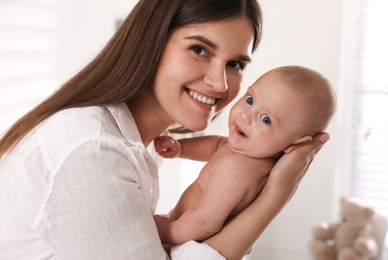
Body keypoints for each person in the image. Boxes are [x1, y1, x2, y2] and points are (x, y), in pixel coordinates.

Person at [0, 0, 329, 259]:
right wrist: (274, 198)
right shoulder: (91, 150)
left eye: (235, 64)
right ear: (151, 43)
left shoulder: (142, 144)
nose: (221, 83)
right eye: (199, 49)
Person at [153, 65, 336, 247]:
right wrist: (181, 149)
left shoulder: (239, 169)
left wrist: (166, 232)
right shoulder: (246, 152)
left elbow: (205, 223)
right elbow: (216, 145)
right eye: (249, 100)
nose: (246, 116)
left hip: (187, 242)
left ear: (294, 144)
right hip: (184, 229)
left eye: (266, 120)